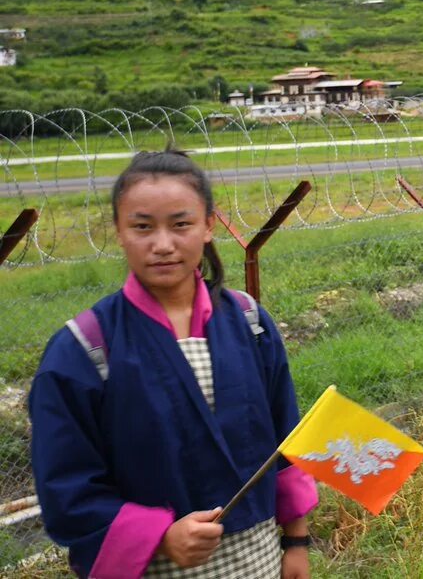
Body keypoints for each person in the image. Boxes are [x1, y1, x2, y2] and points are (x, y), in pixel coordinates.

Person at [28, 150, 317, 579]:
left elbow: (286, 439)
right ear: (119, 232)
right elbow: (67, 489)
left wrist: (295, 542)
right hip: (154, 568)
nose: (162, 245)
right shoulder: (85, 351)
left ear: (208, 227)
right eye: (142, 227)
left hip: (259, 561)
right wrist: (161, 536)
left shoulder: (250, 324)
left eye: (180, 224)